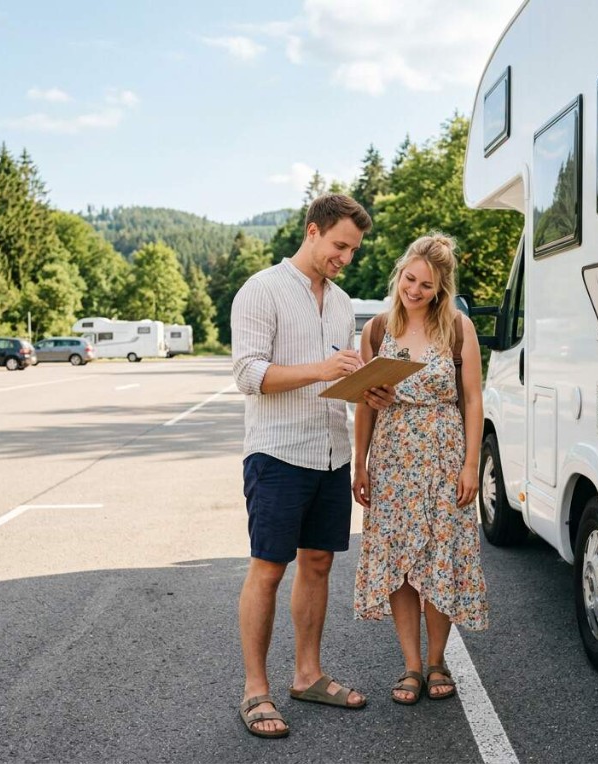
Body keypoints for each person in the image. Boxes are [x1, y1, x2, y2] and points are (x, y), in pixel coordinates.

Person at [231, 194, 394, 739]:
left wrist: (364, 391)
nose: (345, 257)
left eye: (352, 249)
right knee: (269, 569)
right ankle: (256, 690)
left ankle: (308, 675)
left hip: (331, 452)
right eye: (339, 245)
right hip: (277, 452)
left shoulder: (344, 303)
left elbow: (334, 378)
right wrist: (323, 368)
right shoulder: (262, 289)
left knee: (319, 563)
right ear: (312, 231)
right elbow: (249, 375)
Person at [352, 232, 488, 704]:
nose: (414, 290)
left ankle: (436, 661)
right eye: (410, 279)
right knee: (400, 566)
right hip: (391, 458)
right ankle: (410, 666)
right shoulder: (375, 330)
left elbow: (473, 400)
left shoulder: (457, 328)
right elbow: (366, 403)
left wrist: (472, 464)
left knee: (439, 560)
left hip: (445, 455)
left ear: (440, 289)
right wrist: (360, 463)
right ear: (400, 274)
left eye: (426, 286)